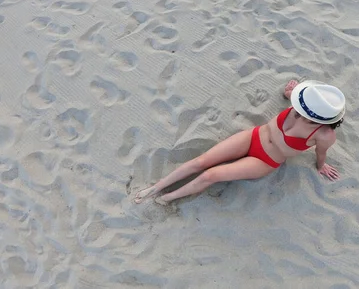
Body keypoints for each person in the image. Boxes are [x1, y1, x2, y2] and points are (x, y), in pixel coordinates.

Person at [133, 80, 346, 205]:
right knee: (202, 161)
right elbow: (290, 92)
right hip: (252, 137)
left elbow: (320, 153)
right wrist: (288, 91)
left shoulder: (324, 134)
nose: (298, 105)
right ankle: (156, 188)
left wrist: (321, 166)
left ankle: (169, 197)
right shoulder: (301, 102)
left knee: (211, 174)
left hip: (265, 160)